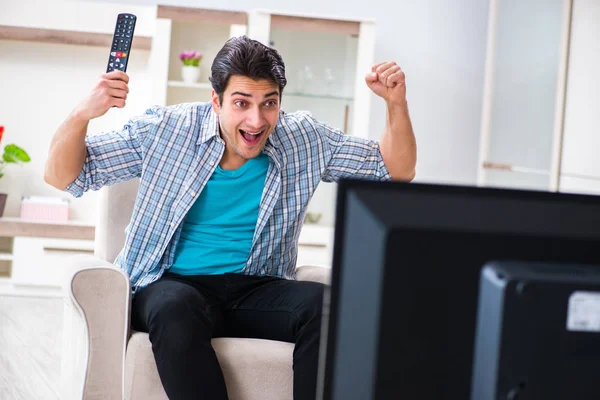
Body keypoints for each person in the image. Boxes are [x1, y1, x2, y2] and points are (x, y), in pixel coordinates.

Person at [44, 36, 416, 400]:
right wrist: (82, 114)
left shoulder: (304, 137)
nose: (256, 120)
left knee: (330, 306)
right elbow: (65, 175)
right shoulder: (167, 130)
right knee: (175, 308)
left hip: (256, 286)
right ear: (216, 101)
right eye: (241, 103)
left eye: (269, 103)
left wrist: (395, 104)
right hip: (170, 283)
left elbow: (393, 169)